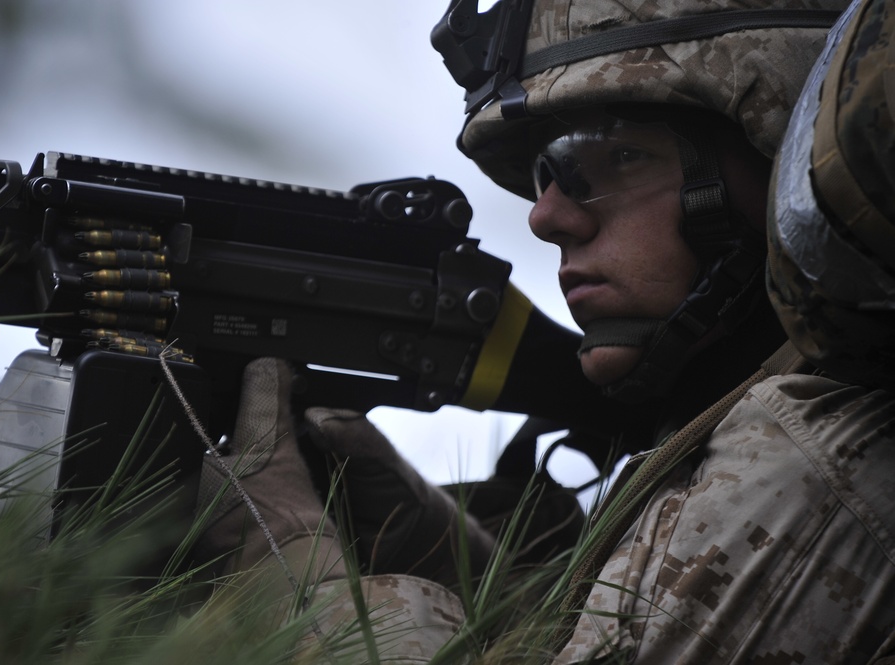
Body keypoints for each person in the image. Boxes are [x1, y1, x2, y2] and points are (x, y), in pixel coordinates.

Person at [194, 0, 895, 661]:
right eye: (545, 173)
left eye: (619, 156)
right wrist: (452, 559)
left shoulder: (817, 447)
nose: (545, 217)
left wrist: (291, 575)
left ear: (779, 162)